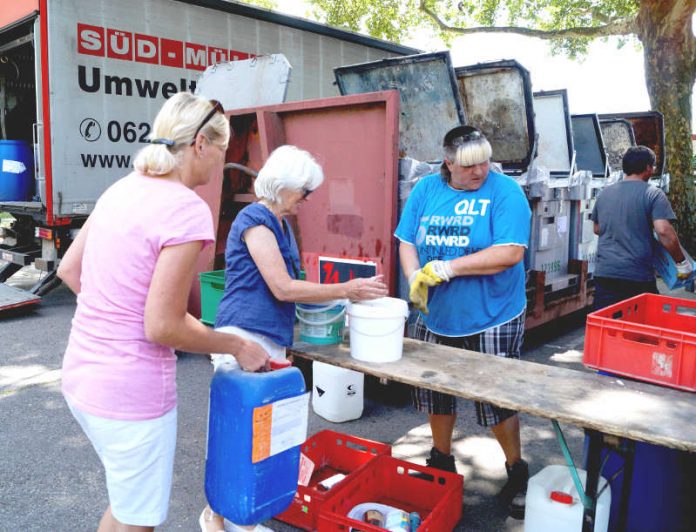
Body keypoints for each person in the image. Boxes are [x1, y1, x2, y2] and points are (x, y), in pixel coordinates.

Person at [58, 92, 269, 532]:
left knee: (126, 506)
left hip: (81, 376)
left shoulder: (122, 186)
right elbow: (162, 325)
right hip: (130, 395)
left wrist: (117, 312)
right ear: (201, 146)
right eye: (223, 151)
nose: (219, 166)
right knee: (138, 521)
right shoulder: (186, 208)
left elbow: (70, 270)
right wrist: (236, 344)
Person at [199, 144, 388, 532]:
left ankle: (238, 518)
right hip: (243, 335)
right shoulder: (255, 218)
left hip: (267, 336)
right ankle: (217, 517)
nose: (307, 199)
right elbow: (283, 287)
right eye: (304, 190)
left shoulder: (280, 223)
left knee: (257, 434)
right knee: (237, 433)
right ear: (284, 184)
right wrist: (346, 290)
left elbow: (288, 290)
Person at [394, 125, 532, 519]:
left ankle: (516, 469)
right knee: (435, 392)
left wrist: (448, 268)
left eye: (485, 162)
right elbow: (407, 240)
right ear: (448, 164)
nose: (480, 171)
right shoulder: (425, 190)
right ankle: (440, 460)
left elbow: (509, 253)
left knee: (496, 398)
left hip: (493, 314)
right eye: (469, 166)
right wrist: (413, 276)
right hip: (437, 316)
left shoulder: (505, 192)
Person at [591, 145, 693, 310]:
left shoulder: (605, 193)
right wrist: (682, 263)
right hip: (636, 275)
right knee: (642, 327)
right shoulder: (653, 193)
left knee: (609, 325)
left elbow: (597, 228)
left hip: (605, 273)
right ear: (647, 167)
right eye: (652, 166)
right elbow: (663, 231)